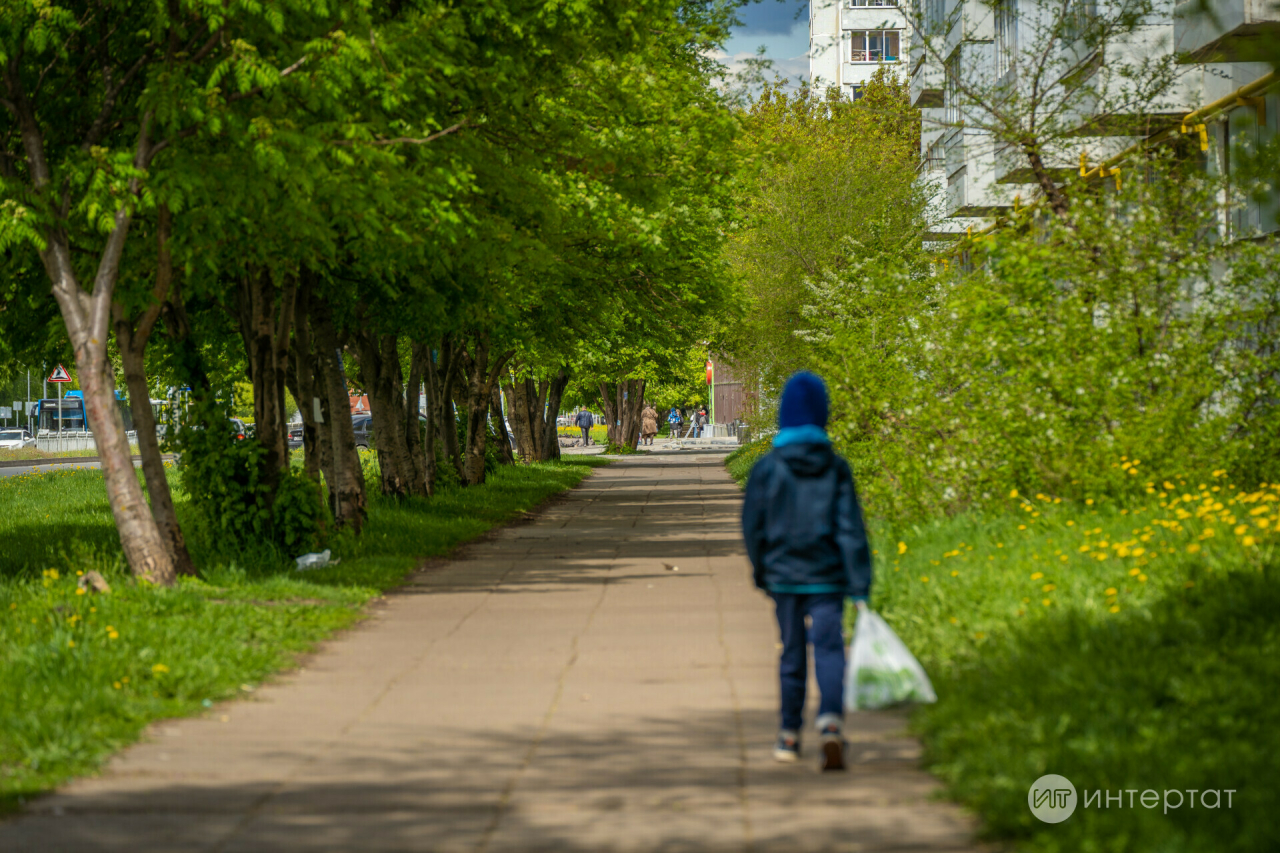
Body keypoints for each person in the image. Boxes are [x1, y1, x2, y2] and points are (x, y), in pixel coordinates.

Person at [740, 372, 872, 772]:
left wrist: (761, 570)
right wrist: (860, 583)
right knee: (831, 648)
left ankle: (788, 734)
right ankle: (831, 723)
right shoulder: (835, 468)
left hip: (784, 576)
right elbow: (850, 527)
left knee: (792, 653)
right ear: (823, 415)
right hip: (828, 576)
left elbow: (752, 525)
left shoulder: (767, 468)